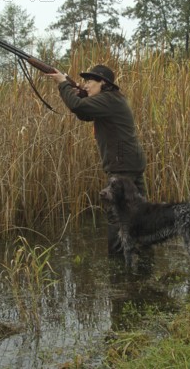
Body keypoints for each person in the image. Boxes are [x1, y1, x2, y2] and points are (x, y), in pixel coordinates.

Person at [47, 64, 146, 254]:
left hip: (122, 165)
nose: (86, 85)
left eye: (90, 82)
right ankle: (144, 258)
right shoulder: (112, 99)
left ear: (103, 83)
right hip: (130, 163)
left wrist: (62, 84)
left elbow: (77, 106)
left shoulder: (108, 99)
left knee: (116, 213)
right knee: (138, 212)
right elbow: (84, 114)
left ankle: (117, 265)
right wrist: (78, 93)